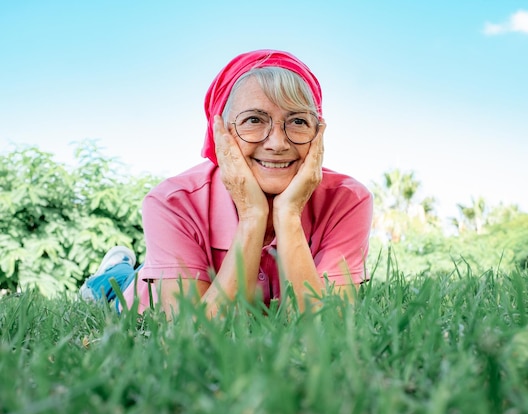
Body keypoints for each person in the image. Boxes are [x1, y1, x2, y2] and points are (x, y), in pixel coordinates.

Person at [80, 49, 373, 319]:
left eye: (298, 121)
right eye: (254, 119)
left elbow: (330, 326)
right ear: (221, 132)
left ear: (318, 132)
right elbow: (193, 333)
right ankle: (111, 270)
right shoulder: (171, 201)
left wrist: (289, 216)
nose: (277, 143)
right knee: (115, 284)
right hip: (140, 288)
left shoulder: (349, 200)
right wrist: (252, 217)